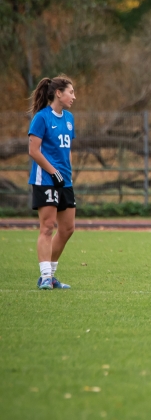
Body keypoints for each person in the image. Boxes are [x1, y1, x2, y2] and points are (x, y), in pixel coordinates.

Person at [28, 76, 77, 290]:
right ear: (59, 93)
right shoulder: (41, 118)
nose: (73, 97)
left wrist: (67, 173)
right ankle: (45, 276)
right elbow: (34, 151)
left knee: (67, 229)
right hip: (46, 179)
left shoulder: (69, 118)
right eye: (71, 92)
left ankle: (51, 276)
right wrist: (53, 171)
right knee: (47, 227)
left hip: (64, 181)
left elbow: (67, 151)